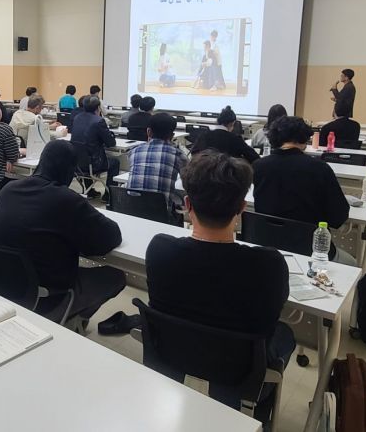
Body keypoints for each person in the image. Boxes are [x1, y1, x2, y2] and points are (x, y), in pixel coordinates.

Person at [145, 150, 293, 418]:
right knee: (285, 334)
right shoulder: (268, 264)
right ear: (242, 208)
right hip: (239, 370)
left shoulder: (159, 248)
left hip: (172, 353)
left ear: (187, 204)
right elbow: (273, 312)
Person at [0, 140, 125, 322]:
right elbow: (110, 238)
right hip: (45, 297)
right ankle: (71, 318)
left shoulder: (8, 190)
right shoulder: (67, 200)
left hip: (1, 286)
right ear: (69, 171)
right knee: (115, 276)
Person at [252, 116, 355, 264]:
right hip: (308, 250)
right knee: (352, 263)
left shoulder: (258, 166)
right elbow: (338, 217)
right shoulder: (320, 168)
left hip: (266, 247)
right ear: (304, 138)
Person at [127, 113, 188, 210]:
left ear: (148, 132)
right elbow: (188, 183)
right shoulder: (178, 155)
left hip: (129, 210)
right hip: (161, 214)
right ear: (172, 136)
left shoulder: (134, 151)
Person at [70, 95, 119, 200]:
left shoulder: (77, 118)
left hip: (77, 163)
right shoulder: (99, 121)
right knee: (115, 162)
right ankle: (109, 195)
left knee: (85, 153)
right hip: (94, 164)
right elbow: (110, 143)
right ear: (98, 108)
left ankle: (90, 191)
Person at [191, 106, 259, 163]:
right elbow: (254, 157)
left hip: (205, 171)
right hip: (228, 173)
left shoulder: (204, 135)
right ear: (232, 123)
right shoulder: (235, 139)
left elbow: (194, 153)